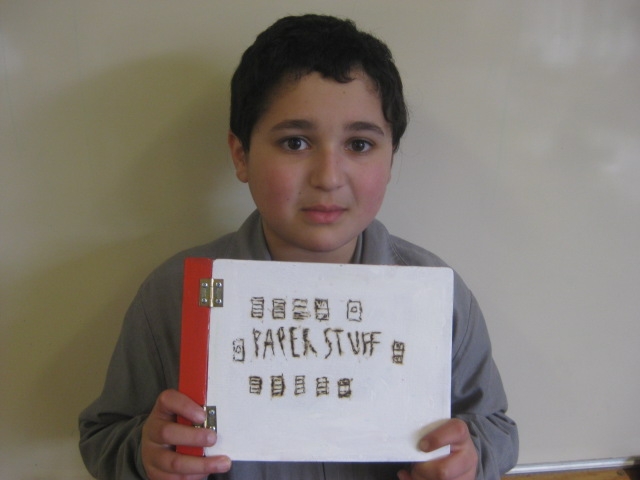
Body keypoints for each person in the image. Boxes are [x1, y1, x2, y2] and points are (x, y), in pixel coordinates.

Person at [79, 14, 518, 480]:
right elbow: (102, 434)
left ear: (391, 159)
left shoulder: (436, 295)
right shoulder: (174, 294)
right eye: (295, 142)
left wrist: (470, 458)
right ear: (241, 155)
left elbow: (495, 427)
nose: (328, 177)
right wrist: (145, 454)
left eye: (359, 145)